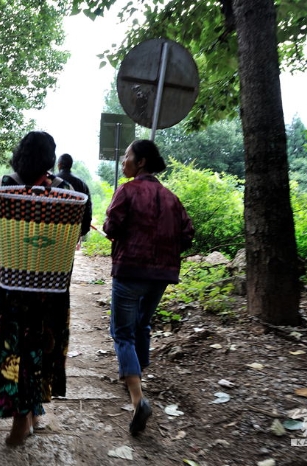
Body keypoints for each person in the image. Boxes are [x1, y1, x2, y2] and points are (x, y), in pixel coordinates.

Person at [0, 131, 74, 446]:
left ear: (20, 154)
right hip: (51, 289)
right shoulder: (65, 191)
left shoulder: (3, 185)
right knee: (40, 351)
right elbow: (72, 240)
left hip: (13, 287)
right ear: (50, 159)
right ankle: (34, 412)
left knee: (15, 351)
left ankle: (21, 423)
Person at [103, 139, 194, 436]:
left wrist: (120, 236)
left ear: (140, 162)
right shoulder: (171, 197)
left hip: (130, 271)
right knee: (142, 325)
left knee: (122, 332)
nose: (124, 161)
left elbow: (111, 227)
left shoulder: (127, 190)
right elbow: (187, 233)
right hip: (162, 275)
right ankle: (136, 375)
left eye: (127, 156)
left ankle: (138, 398)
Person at [55, 153, 93, 238]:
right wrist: (84, 229)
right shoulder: (81, 184)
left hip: (52, 228)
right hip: (73, 229)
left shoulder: (51, 182)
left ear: (59, 165)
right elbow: (88, 208)